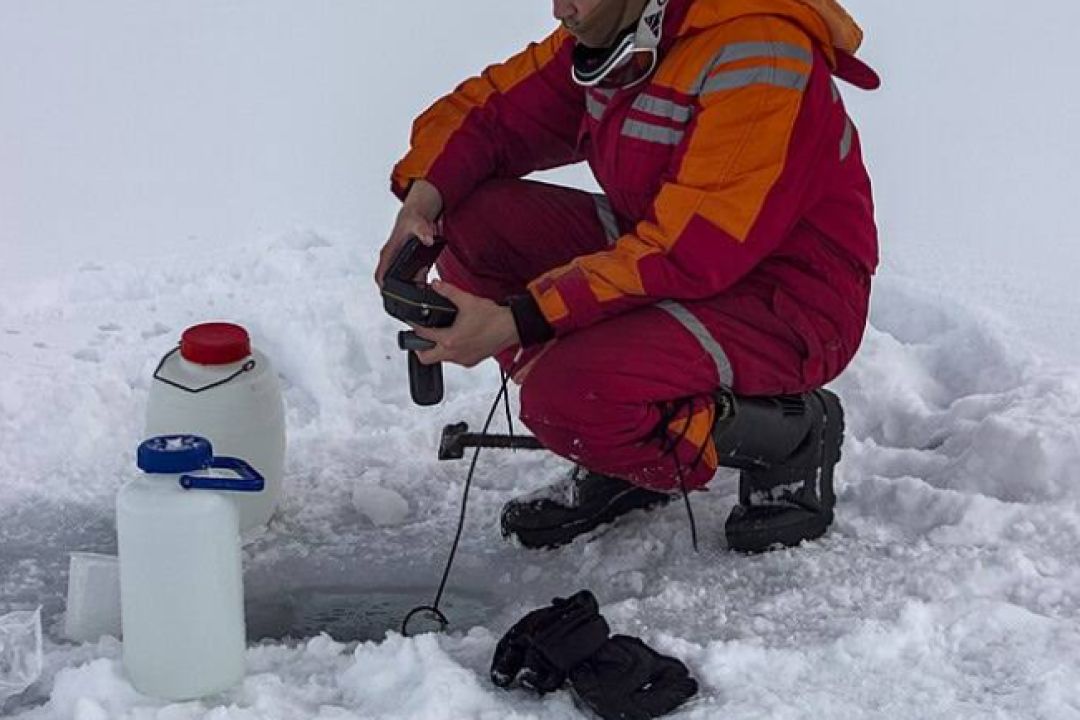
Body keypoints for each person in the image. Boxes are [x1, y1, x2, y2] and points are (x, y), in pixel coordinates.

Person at [376, 0, 879, 553]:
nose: (559, 7)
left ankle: (793, 435)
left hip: (789, 300)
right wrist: (421, 203)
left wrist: (517, 320)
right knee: (471, 220)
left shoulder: (756, 54)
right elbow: (493, 114)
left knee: (569, 393)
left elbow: (690, 250)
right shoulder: (617, 29)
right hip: (671, 253)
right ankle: (619, 436)